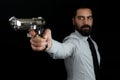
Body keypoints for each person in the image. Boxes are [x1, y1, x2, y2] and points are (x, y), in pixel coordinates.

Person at [29, 6, 101, 80]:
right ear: (73, 21)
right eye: (81, 18)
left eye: (89, 18)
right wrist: (48, 44)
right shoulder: (72, 41)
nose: (86, 22)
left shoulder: (93, 44)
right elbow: (62, 49)